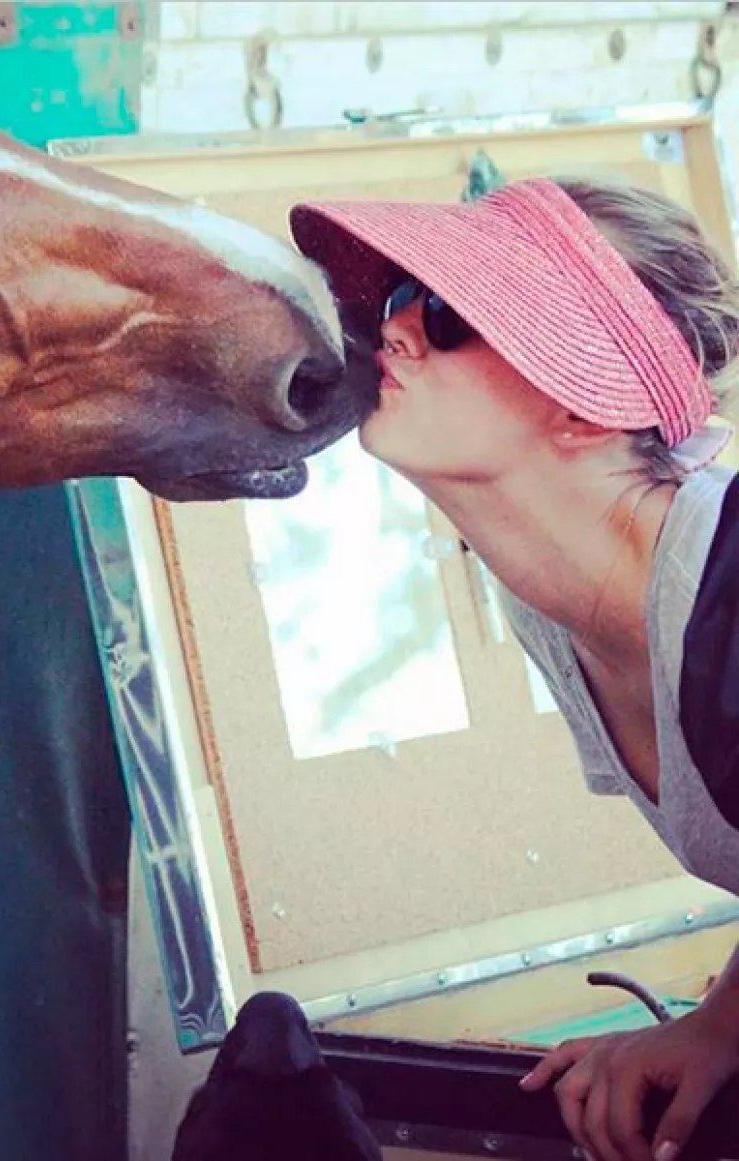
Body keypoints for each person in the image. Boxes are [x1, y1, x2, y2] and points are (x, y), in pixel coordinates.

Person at [288, 175, 739, 1161]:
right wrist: (719, 1021)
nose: (392, 334)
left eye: (446, 315)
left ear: (583, 408)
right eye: (395, 302)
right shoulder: (553, 606)